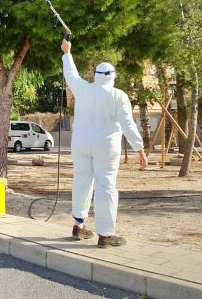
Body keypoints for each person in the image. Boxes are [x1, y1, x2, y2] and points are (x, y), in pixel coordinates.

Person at [61, 39, 148, 248]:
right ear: (114, 77)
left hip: (80, 145)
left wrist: (67, 52)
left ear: (95, 76)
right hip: (106, 148)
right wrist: (140, 149)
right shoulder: (119, 96)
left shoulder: (83, 89)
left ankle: (78, 226)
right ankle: (106, 235)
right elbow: (127, 124)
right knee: (106, 187)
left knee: (81, 182)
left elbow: (71, 74)